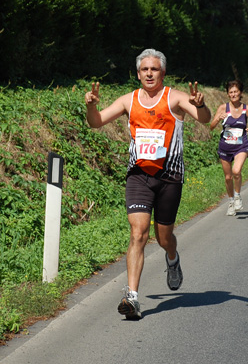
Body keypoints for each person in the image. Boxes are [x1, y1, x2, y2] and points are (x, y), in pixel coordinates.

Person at [84, 48, 211, 320]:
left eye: (154, 69)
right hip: (139, 176)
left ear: (162, 73)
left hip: (170, 178)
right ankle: (132, 297)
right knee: (138, 233)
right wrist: (91, 105)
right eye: (144, 69)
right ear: (138, 73)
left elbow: (204, 119)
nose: (149, 73)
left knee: (164, 237)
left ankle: (173, 257)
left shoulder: (175, 97)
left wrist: (200, 105)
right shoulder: (129, 100)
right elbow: (96, 123)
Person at [209, 80, 248, 216]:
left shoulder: (247, 109)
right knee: (228, 177)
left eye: (236, 91)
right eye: (231, 92)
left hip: (241, 145)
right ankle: (230, 202)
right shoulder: (223, 108)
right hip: (225, 146)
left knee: (236, 171)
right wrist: (218, 119)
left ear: (240, 93)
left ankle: (237, 196)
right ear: (228, 94)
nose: (233, 94)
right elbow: (211, 127)